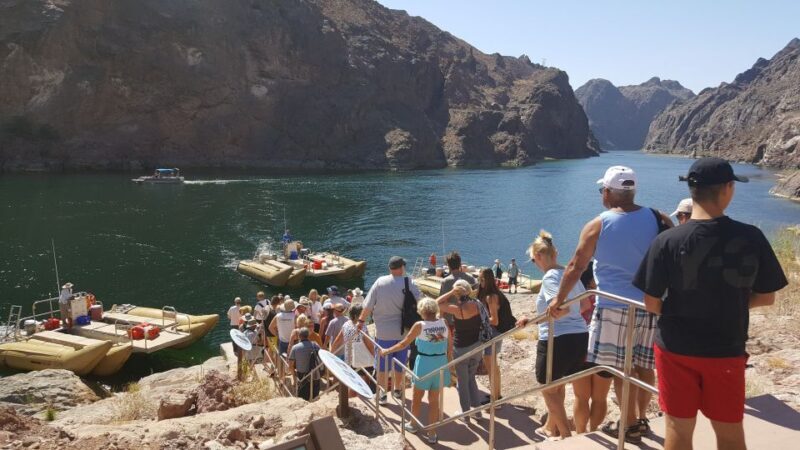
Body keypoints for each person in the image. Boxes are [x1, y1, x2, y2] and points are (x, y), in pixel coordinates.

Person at [634, 158, 788, 450]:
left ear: (692, 191)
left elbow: (652, 303)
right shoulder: (751, 237)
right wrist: (734, 304)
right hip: (726, 350)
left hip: (675, 348)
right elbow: (767, 296)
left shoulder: (666, 241)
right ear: (728, 189)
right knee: (730, 432)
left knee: (678, 429)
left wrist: (680, 310)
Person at [550, 165, 673, 443]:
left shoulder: (598, 224)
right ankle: (641, 418)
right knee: (644, 365)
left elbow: (575, 265)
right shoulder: (658, 217)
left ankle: (628, 424)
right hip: (650, 304)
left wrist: (560, 300)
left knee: (620, 367)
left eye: (601, 190)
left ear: (607, 192)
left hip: (614, 306)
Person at [517, 230, 592, 439]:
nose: (535, 264)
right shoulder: (570, 274)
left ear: (539, 257)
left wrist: (531, 320)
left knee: (547, 388)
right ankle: (552, 428)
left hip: (557, 338)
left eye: (533, 260)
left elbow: (559, 310)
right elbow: (585, 304)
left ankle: (566, 437)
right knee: (557, 385)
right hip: (579, 336)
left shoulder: (550, 277)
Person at [380, 298, 449, 445]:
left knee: (417, 397)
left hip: (425, 363)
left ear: (422, 311)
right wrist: (450, 366)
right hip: (441, 363)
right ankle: (432, 433)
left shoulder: (420, 325)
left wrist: (387, 351)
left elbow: (404, 343)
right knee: (434, 400)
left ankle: (413, 424)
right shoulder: (443, 323)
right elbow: (448, 345)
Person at [358, 256, 422, 405]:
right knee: (399, 364)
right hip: (403, 332)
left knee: (382, 366)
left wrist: (361, 321)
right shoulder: (409, 282)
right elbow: (421, 302)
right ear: (401, 268)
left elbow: (367, 306)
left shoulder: (379, 282)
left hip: (383, 334)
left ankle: (381, 394)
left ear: (390, 268)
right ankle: (398, 390)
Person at [436, 279, 485, 422]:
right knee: (471, 379)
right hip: (477, 347)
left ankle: (465, 415)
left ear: (457, 292)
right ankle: (478, 413)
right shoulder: (477, 304)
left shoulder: (457, 309)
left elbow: (437, 303)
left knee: (462, 383)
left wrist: (451, 291)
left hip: (461, 348)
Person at [476, 268, 514, 403]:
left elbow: (494, 320)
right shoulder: (495, 294)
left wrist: (478, 321)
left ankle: (494, 399)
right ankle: (496, 395)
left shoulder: (491, 297)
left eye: (481, 279)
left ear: (487, 280)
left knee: (491, 367)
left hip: (493, 334)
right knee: (494, 366)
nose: (479, 281)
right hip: (496, 334)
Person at [332, 304, 376, 391]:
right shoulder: (362, 327)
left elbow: (336, 342)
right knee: (363, 384)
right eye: (363, 314)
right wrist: (376, 358)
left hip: (349, 358)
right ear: (357, 316)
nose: (365, 316)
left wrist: (331, 354)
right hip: (361, 359)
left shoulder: (346, 324)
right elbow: (369, 346)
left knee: (354, 383)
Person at [288, 327, 321, 400]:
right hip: (315, 376)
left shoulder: (295, 348)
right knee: (315, 400)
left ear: (299, 336)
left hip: (303, 378)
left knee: (303, 400)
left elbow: (290, 365)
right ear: (308, 335)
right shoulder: (315, 345)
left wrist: (294, 376)